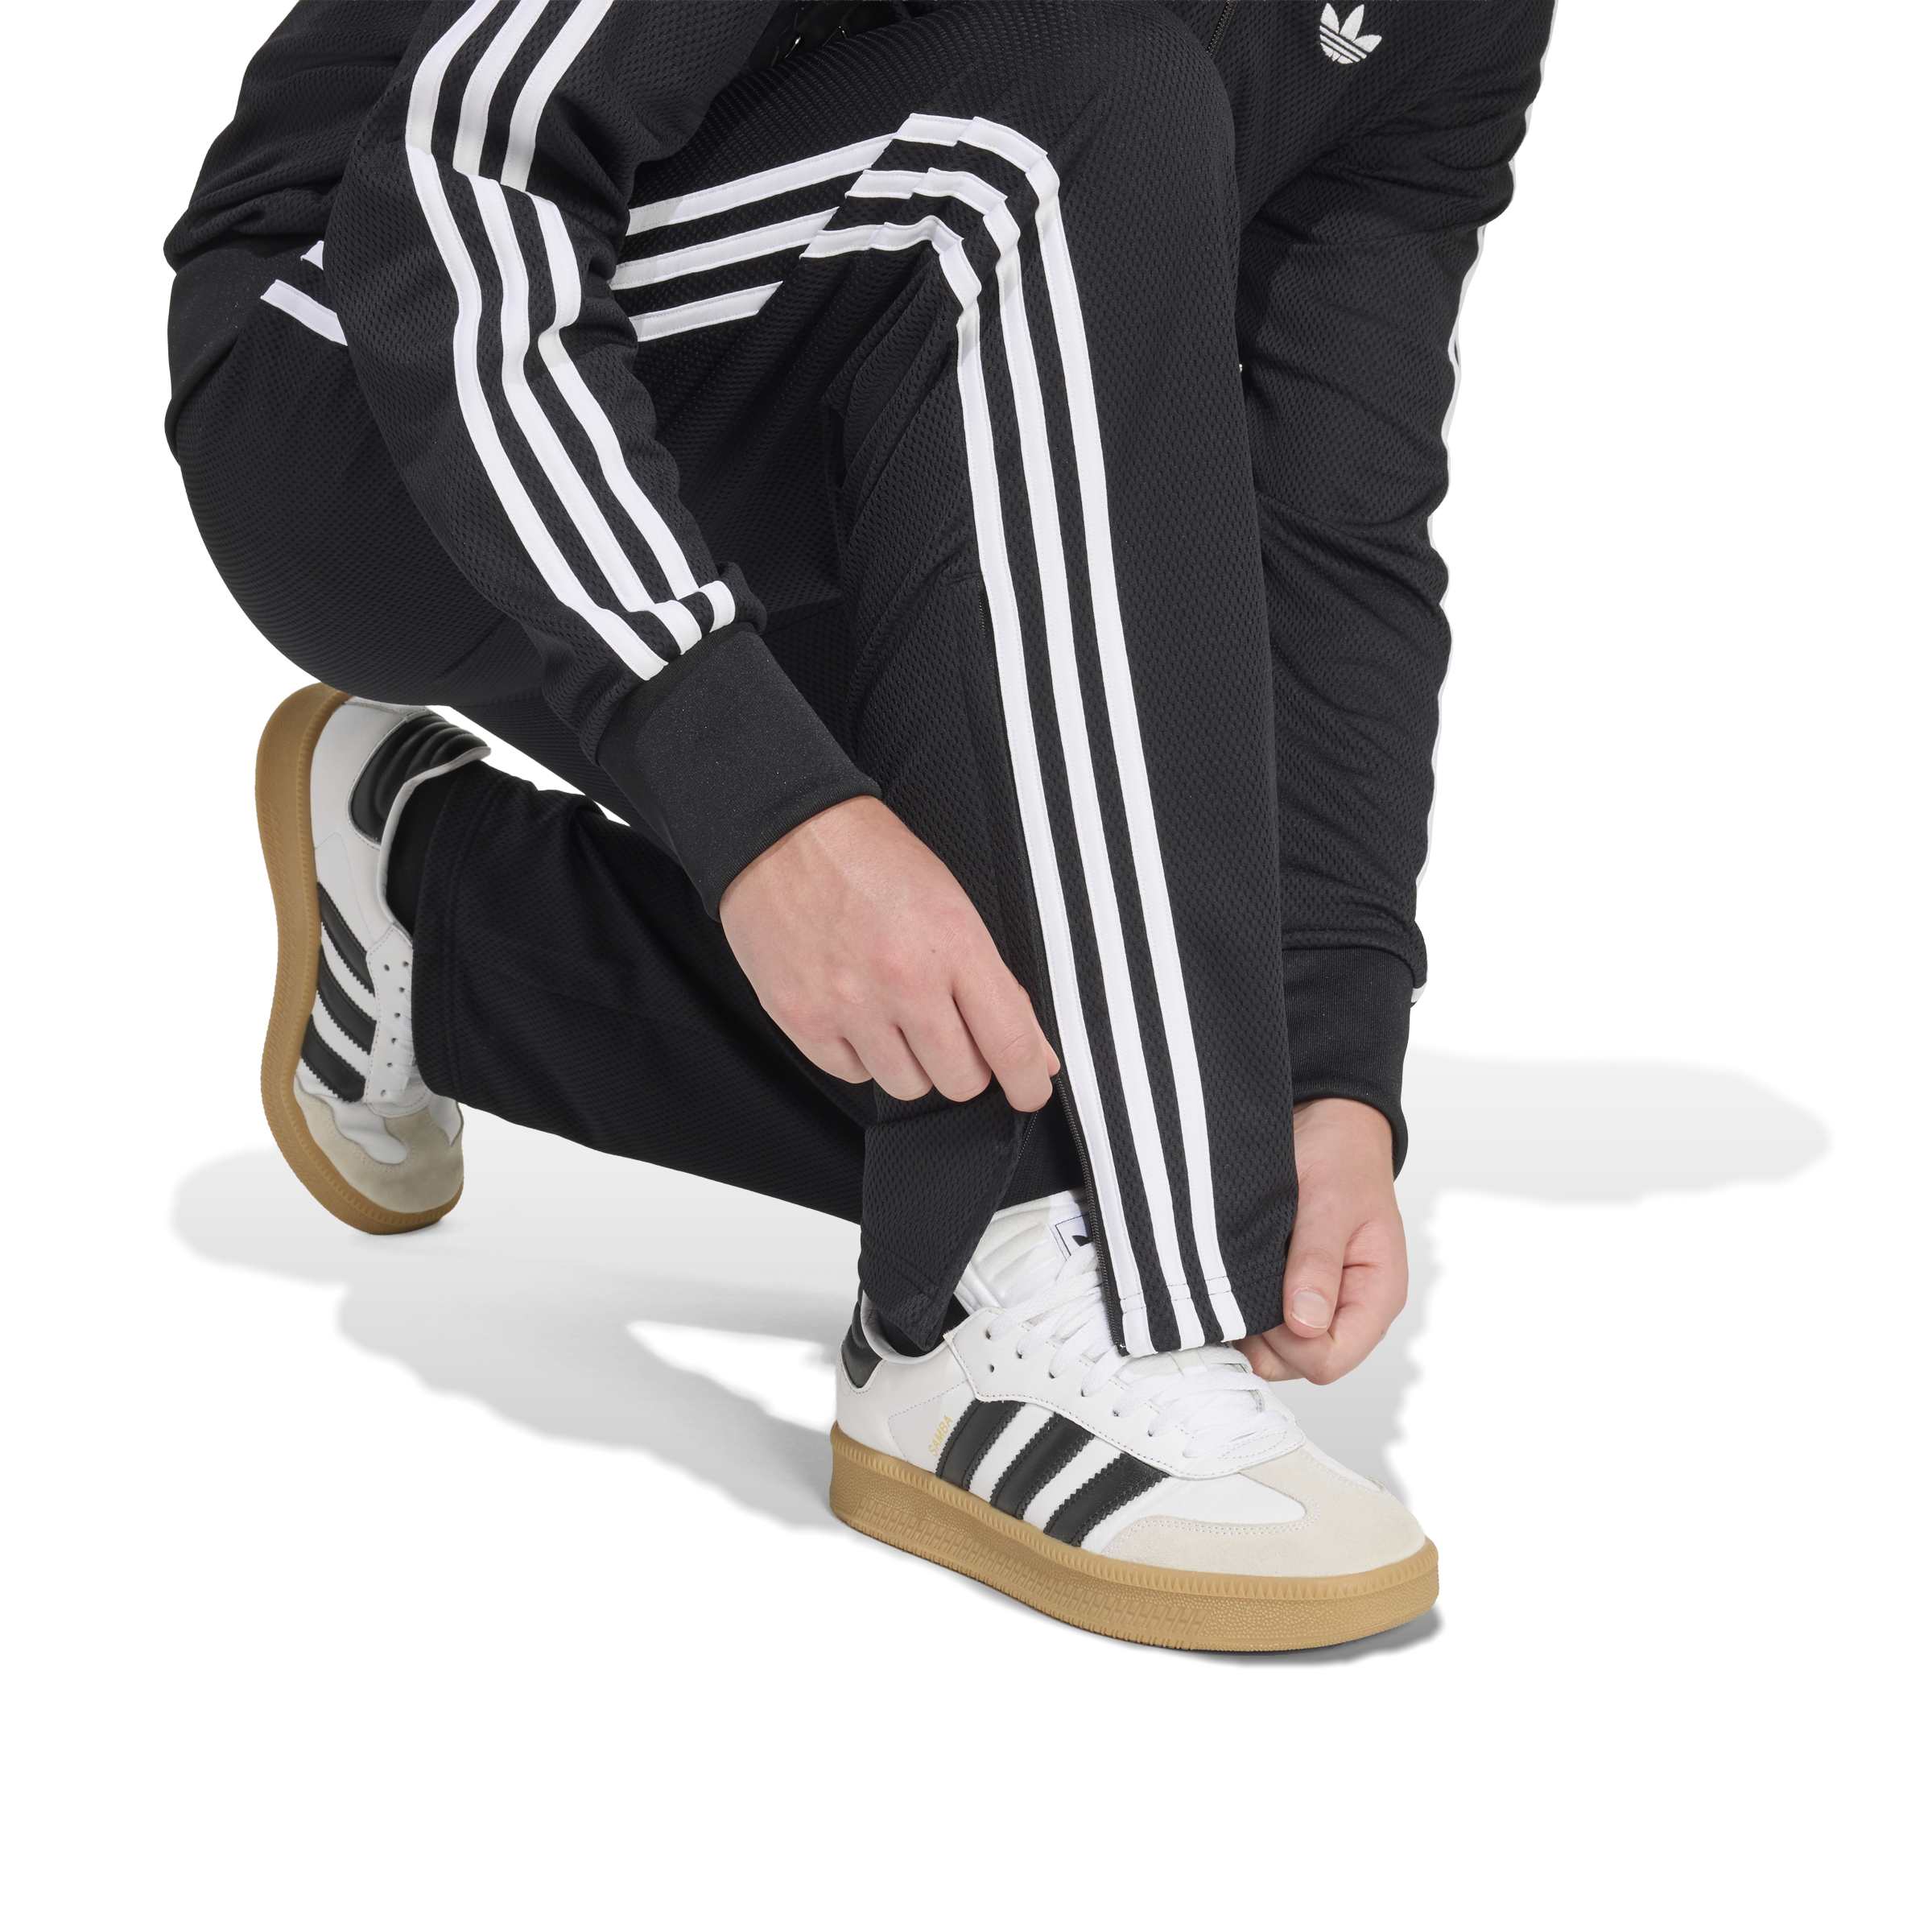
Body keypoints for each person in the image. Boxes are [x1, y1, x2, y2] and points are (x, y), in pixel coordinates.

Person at [165, 0, 1553, 1651]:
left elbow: (1329, 519)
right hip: (364, 370)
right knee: (1073, 106)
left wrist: (1325, 1067)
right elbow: (464, 191)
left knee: (1181, 1083)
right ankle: (972, 1310)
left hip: (832, 385)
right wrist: (753, 796)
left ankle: (453, 917)